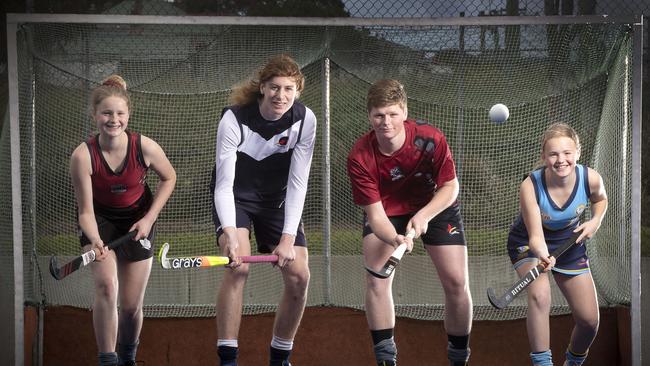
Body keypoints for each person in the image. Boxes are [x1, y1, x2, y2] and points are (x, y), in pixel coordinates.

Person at [346, 79, 473, 366]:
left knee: (456, 281)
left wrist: (424, 215)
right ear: (370, 116)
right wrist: (395, 239)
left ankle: (458, 358)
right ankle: (386, 360)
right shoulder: (360, 156)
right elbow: (376, 216)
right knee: (377, 279)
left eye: (392, 114)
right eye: (379, 115)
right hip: (388, 211)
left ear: (404, 112)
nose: (386, 122)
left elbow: (450, 187)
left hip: (436, 205)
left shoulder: (431, 138)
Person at [211, 54, 316, 366]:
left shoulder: (305, 120)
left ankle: (280, 358)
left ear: (297, 90)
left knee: (299, 275)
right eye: (274, 88)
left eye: (288, 88)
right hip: (236, 198)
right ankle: (228, 359)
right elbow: (223, 184)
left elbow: (298, 183)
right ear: (262, 87)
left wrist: (287, 239)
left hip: (277, 202)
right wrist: (229, 233)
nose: (280, 96)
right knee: (238, 267)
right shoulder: (233, 119)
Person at [70, 75, 176, 366]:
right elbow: (86, 211)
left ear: (128, 115)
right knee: (106, 286)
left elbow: (169, 177)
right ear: (94, 115)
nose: (113, 119)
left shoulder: (145, 147)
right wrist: (95, 240)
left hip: (138, 221)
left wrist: (149, 219)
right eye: (106, 113)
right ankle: (107, 360)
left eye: (119, 113)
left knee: (130, 307)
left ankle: (128, 357)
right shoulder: (83, 156)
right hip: (99, 221)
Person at [507, 123, 607, 366]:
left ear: (577, 153)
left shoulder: (590, 178)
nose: (561, 160)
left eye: (567, 153)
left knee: (589, 321)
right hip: (529, 243)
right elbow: (535, 237)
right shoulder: (530, 186)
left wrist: (595, 221)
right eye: (553, 154)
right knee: (540, 295)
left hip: (569, 243)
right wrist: (542, 254)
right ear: (543, 156)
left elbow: (601, 201)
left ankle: (572, 363)